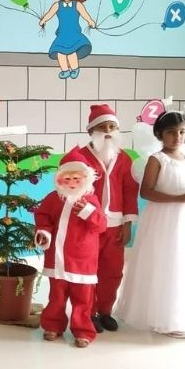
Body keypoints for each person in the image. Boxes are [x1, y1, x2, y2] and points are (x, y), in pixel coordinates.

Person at [116, 111, 185, 338]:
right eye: (171, 132)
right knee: (167, 263)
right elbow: (146, 192)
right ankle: (165, 318)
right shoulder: (157, 159)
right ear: (160, 134)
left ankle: (183, 314)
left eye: (181, 132)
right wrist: (178, 198)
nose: (177, 137)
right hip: (164, 219)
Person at [34, 147, 106, 348]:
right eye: (67, 179)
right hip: (57, 258)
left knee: (83, 299)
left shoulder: (90, 200)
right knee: (56, 296)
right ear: (59, 179)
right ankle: (53, 325)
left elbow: (101, 225)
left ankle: (83, 331)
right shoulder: (53, 198)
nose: (72, 183)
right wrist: (44, 232)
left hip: (82, 260)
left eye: (76, 178)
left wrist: (88, 212)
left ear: (86, 179)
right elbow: (43, 217)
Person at [78, 104, 139, 333]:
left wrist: (127, 224)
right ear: (91, 131)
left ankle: (105, 311)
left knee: (112, 270)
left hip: (115, 225)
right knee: (88, 270)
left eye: (112, 127)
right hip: (88, 225)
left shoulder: (124, 159)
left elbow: (130, 193)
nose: (107, 131)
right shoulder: (81, 158)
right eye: (102, 127)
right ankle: (89, 312)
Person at [38, 0, 96, 79]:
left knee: (71, 52)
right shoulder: (57, 5)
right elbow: (49, 14)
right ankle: (65, 70)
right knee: (60, 53)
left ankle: (75, 68)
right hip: (62, 35)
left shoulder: (77, 5)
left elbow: (85, 15)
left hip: (74, 34)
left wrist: (90, 21)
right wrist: (43, 20)